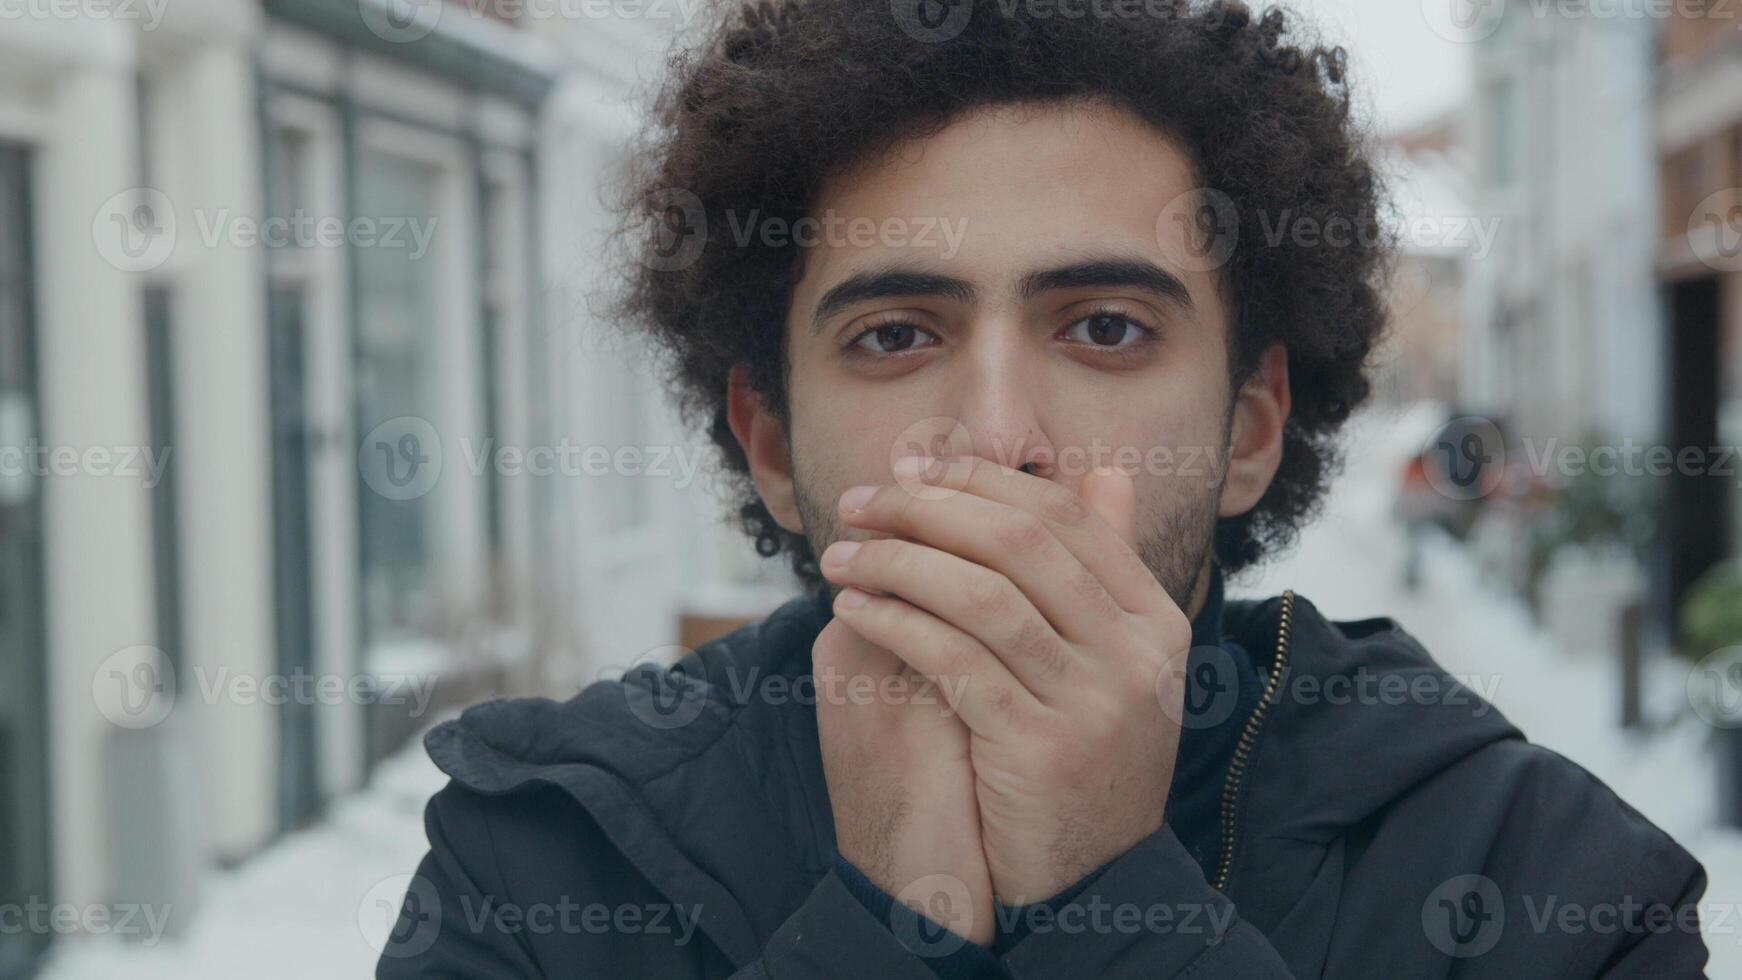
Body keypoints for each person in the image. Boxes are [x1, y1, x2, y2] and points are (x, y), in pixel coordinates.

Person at [378, 2, 1708, 976]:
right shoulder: (543, 865)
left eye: (1105, 328)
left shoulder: (1542, 884)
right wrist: (882, 927)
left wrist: (1115, 905)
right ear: (771, 443)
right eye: (896, 335)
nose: (1003, 438)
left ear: (1250, 426)